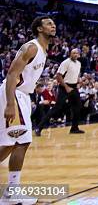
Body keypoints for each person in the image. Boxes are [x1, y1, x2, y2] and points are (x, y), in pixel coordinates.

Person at [0, 16, 56, 204]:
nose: (53, 26)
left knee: (10, 143)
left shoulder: (43, 50)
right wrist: (9, 103)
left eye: (53, 24)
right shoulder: (31, 47)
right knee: (22, 141)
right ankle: (11, 192)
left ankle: (11, 192)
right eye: (49, 24)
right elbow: (12, 74)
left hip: (22, 95)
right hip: (13, 93)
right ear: (39, 29)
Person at [35, 48, 84, 135]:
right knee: (56, 108)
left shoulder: (79, 63)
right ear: (70, 54)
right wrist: (66, 87)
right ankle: (39, 128)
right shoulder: (66, 62)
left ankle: (74, 128)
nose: (75, 54)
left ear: (79, 55)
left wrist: (78, 81)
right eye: (73, 53)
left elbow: (76, 74)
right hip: (64, 87)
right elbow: (58, 76)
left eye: (77, 53)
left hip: (73, 87)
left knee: (78, 106)